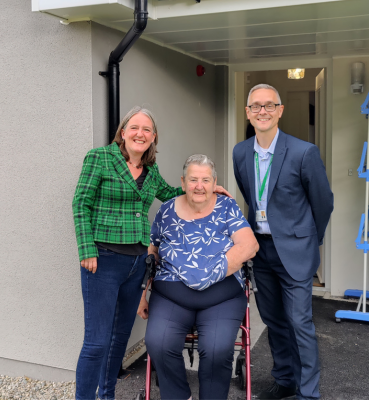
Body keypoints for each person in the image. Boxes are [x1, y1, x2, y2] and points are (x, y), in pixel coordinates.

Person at [72, 107, 230, 400]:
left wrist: (205, 190)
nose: (140, 134)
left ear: (153, 137)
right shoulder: (100, 158)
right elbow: (81, 203)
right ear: (123, 132)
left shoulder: (150, 170)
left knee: (119, 339)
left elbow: (171, 194)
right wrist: (86, 249)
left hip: (136, 263)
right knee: (97, 342)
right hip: (103, 260)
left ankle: (106, 395)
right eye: (134, 128)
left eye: (147, 130)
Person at [232, 84, 334, 400]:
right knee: (274, 320)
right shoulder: (240, 152)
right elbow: (251, 196)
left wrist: (308, 241)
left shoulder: (304, 152)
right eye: (256, 106)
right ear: (248, 113)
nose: (263, 111)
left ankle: (308, 393)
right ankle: (285, 379)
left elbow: (323, 202)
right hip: (261, 251)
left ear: (280, 110)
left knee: (300, 323)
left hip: (295, 252)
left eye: (269, 105)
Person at [137, 154, 258, 400]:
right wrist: (141, 295)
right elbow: (153, 250)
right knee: (158, 343)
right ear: (183, 182)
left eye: (205, 180)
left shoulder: (227, 207)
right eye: (193, 180)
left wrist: (208, 273)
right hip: (171, 295)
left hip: (221, 297)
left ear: (214, 183)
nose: (199, 186)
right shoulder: (167, 209)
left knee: (216, 350)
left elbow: (249, 245)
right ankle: (179, 395)